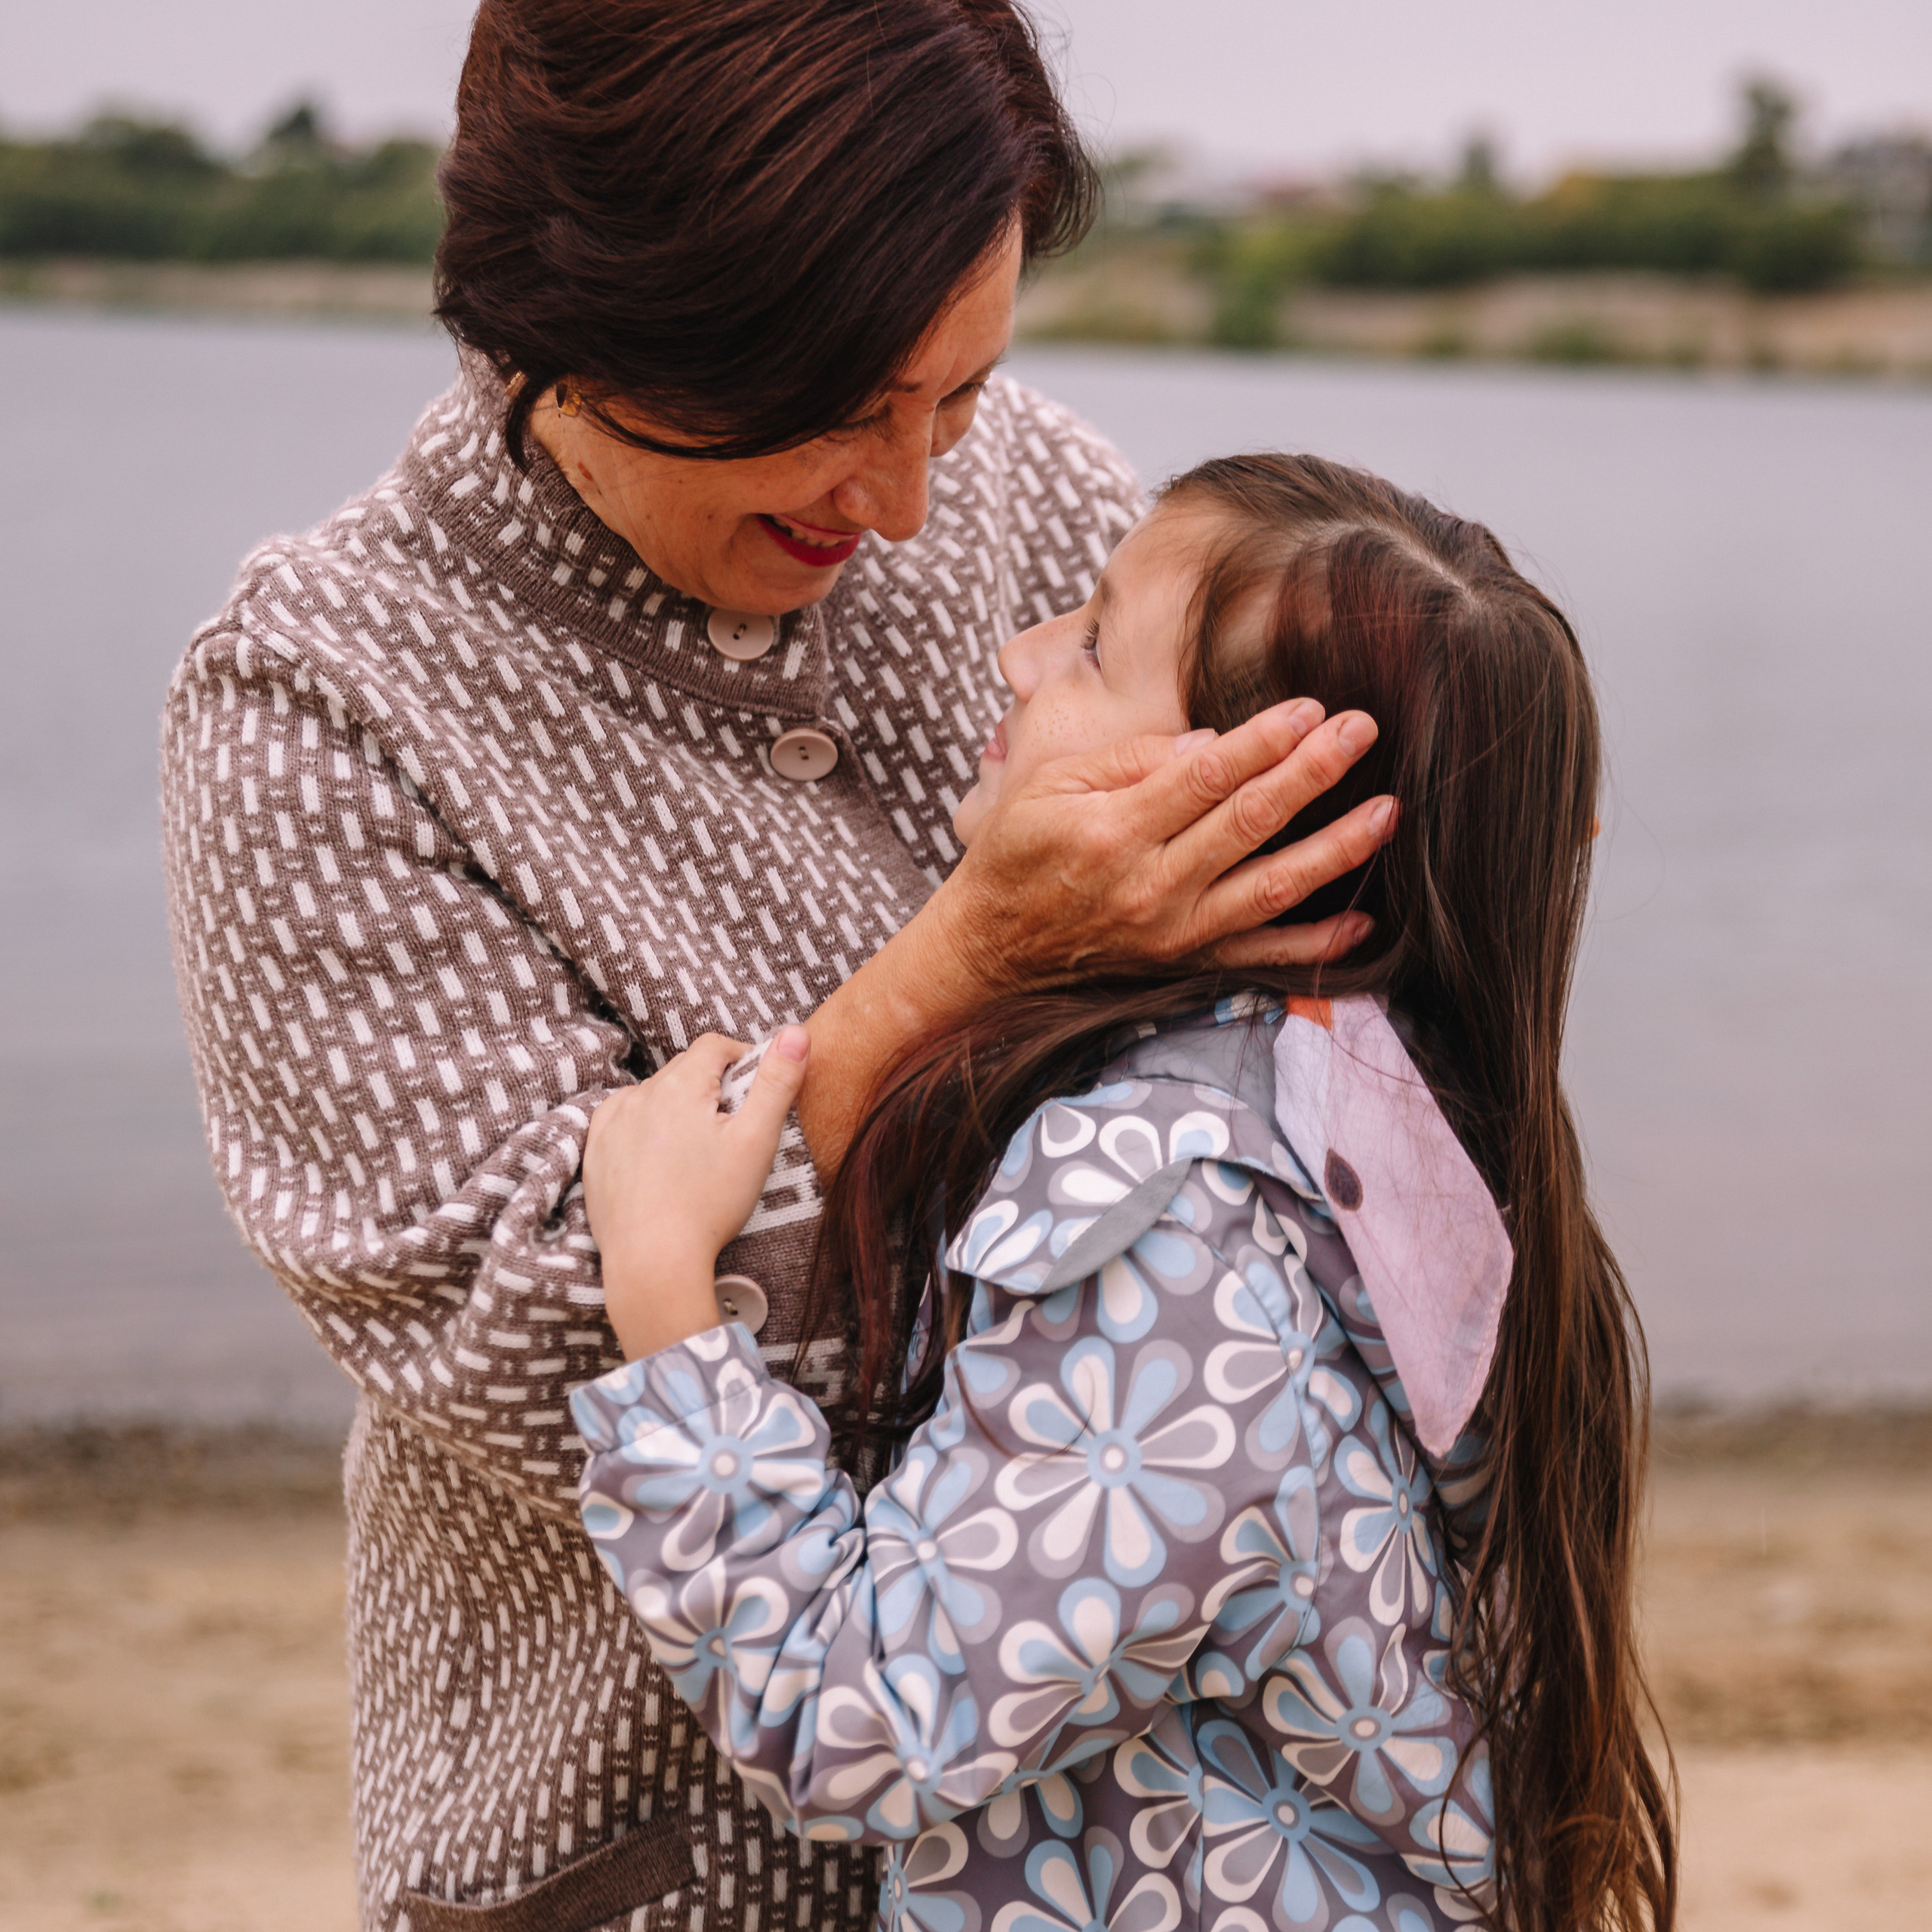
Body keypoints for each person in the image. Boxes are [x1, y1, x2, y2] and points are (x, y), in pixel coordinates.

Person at [161, 5, 1390, 1926]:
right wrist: (962, 964)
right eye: (826, 411)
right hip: (645, 1845)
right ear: (576, 321)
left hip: (1137, 1848)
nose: (903, 500)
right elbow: (532, 1344)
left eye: (954, 394)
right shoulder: (321, 699)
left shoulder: (1040, 499)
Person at [572, 455, 1679, 1932]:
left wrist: (664, 1295)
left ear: (1252, 808)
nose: (1020, 655)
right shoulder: (1408, 1117)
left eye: (1093, 645)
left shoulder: (1167, 1220)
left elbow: (867, 1718)